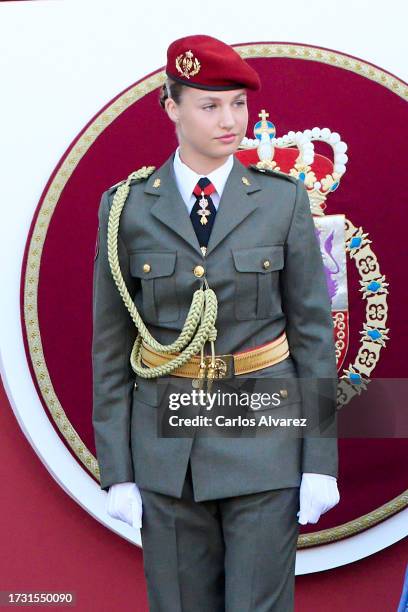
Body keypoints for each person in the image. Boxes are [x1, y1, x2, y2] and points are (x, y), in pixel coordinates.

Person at [92, 34, 340, 612]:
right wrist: (119, 473)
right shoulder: (127, 208)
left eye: (238, 104)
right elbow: (110, 347)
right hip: (166, 452)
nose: (229, 120)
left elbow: (312, 337)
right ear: (172, 107)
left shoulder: (282, 202)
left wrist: (319, 461)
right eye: (210, 105)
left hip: (265, 438)